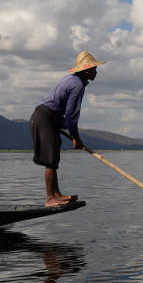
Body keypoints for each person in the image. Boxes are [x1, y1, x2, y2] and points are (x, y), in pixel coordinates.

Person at [30, 51, 106, 206]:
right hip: (44, 118)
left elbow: (66, 116)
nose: (96, 72)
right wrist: (76, 138)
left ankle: (56, 194)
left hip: (50, 119)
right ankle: (50, 198)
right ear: (86, 70)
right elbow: (71, 116)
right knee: (50, 160)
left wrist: (72, 133)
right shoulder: (77, 85)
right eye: (94, 69)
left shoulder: (71, 79)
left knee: (54, 158)